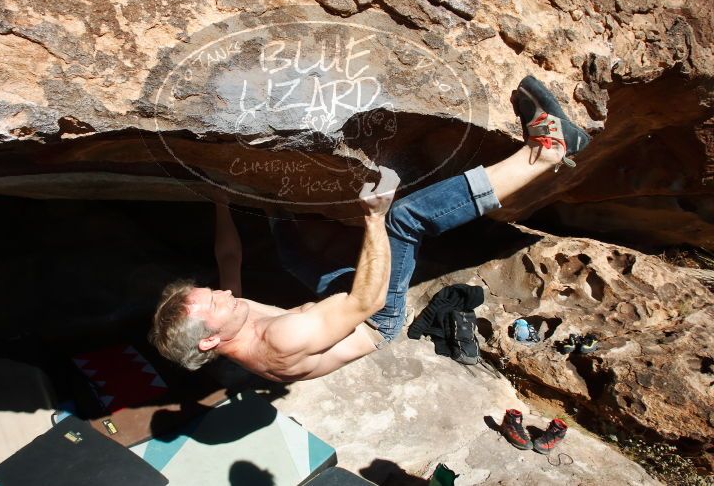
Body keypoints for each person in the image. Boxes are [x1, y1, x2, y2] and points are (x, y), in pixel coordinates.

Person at [150, 75, 590, 382]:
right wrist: (374, 217)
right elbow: (368, 299)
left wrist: (225, 202)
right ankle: (548, 151)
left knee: (290, 254)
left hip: (331, 309)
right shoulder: (279, 339)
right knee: (404, 219)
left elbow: (229, 258)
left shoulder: (232, 323)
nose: (223, 293)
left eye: (212, 292)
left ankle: (278, 211)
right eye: (215, 302)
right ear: (209, 342)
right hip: (376, 319)